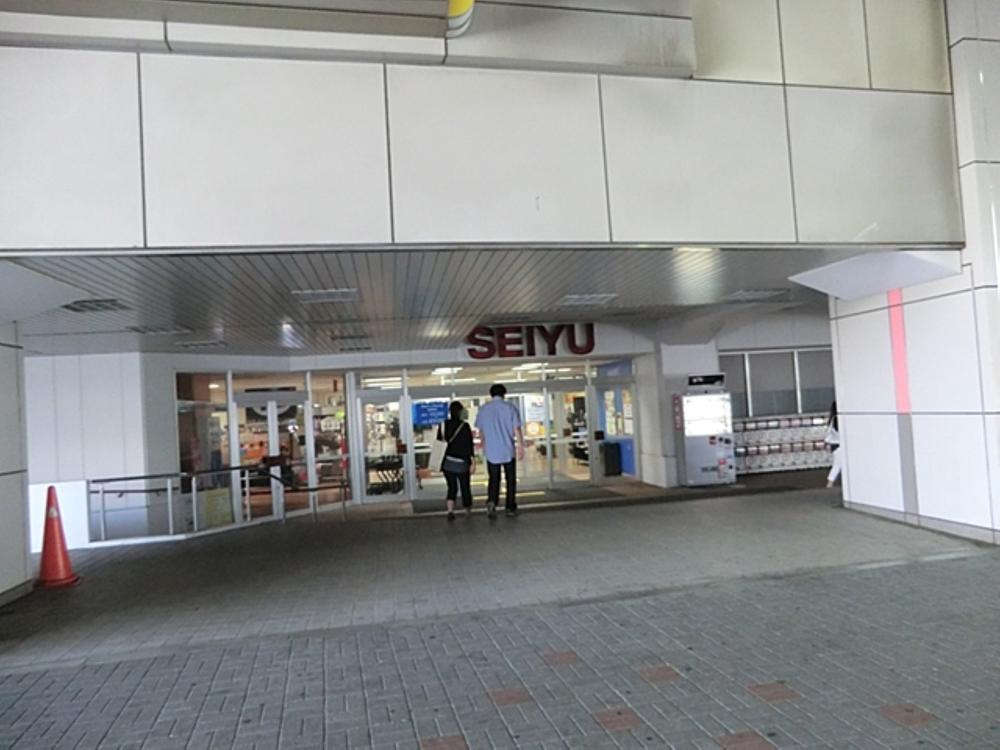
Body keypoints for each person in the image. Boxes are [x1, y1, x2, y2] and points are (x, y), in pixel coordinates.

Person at [475, 383, 525, 519]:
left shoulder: (484, 409)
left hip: (491, 451)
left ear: (491, 394)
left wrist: (484, 445)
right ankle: (510, 507)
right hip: (508, 450)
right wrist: (520, 446)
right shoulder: (510, 408)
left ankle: (492, 501)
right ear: (504, 394)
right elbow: (517, 429)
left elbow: (481, 431)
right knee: (510, 479)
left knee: (493, 479)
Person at [437, 400, 475, 521]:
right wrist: (472, 462)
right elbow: (469, 446)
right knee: (465, 486)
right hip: (462, 463)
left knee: (452, 487)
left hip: (447, 463)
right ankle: (467, 511)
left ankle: (450, 511)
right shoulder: (464, 426)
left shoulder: (443, 425)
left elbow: (439, 443)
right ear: (460, 412)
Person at [825, 401, 842, 496]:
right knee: (837, 466)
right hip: (839, 445)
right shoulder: (838, 419)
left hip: (834, 445)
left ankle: (830, 484)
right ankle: (829, 484)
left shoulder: (832, 419)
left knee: (838, 465)